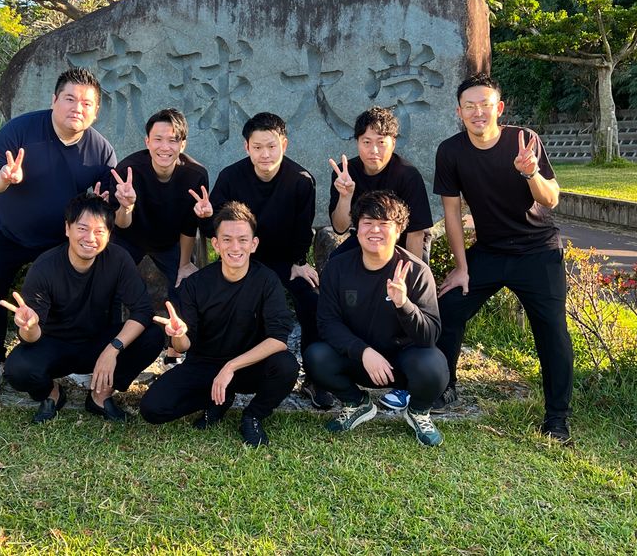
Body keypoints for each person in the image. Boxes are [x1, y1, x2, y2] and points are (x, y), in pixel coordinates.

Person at [433, 72, 574, 444]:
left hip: (537, 250)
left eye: (485, 105)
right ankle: (444, 386)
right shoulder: (450, 151)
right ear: (459, 112)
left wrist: (530, 172)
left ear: (499, 108)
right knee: (448, 306)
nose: (477, 112)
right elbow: (451, 213)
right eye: (469, 106)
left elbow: (550, 199)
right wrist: (461, 267)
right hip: (490, 251)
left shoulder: (523, 140)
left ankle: (556, 417)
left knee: (552, 331)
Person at [0, 68, 117, 397]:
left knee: (72, 297)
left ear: (96, 111)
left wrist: (108, 203)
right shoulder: (21, 130)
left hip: (57, 241)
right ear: (54, 100)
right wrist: (5, 178)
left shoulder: (101, 152)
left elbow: (103, 208)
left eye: (86, 103)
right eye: (69, 99)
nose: (77, 108)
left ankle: (70, 360)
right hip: (4, 230)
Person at [190, 113, 327, 408]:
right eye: (257, 147)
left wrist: (299, 261)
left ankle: (315, 380)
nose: (265, 154)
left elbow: (304, 227)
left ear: (284, 145)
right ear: (246, 147)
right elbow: (215, 228)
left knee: (311, 299)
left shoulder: (301, 180)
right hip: (239, 259)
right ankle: (205, 369)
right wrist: (205, 216)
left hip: (283, 261)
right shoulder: (231, 177)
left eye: (271, 146)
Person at [139, 202, 299, 447]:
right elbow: (182, 347)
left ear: (254, 244)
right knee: (153, 408)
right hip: (205, 365)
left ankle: (253, 415)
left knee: (286, 365)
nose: (235, 247)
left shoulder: (267, 281)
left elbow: (278, 340)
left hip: (249, 366)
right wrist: (178, 334)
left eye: (243, 240)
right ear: (215, 244)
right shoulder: (196, 284)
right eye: (227, 239)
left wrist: (231, 367)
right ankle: (217, 400)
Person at [1, 194, 164, 424]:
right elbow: (31, 337)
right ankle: (52, 394)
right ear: (67, 229)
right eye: (82, 229)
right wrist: (29, 326)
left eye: (99, 231)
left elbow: (142, 310)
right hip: (55, 344)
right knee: (17, 369)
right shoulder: (45, 267)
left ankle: (100, 396)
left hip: (99, 342)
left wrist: (113, 349)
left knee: (153, 335)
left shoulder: (118, 259)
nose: (90, 238)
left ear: (109, 234)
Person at [304, 190, 448, 447]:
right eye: (367, 222)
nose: (374, 230)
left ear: (399, 230)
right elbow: (327, 323)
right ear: (357, 228)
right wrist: (363, 351)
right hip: (358, 358)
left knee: (434, 366)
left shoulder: (416, 271)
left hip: (402, 361)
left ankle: (418, 411)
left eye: (384, 224)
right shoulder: (338, 267)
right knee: (316, 356)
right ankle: (356, 403)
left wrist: (404, 304)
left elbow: (429, 336)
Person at [109, 108, 208, 367]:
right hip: (129, 237)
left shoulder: (195, 174)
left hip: (168, 241)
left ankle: (176, 351)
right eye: (158, 139)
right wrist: (127, 206)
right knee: (109, 281)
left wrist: (184, 264)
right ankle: (109, 346)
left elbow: (189, 226)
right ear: (147, 141)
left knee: (185, 282)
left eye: (173, 140)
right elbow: (120, 223)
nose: (165, 147)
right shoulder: (127, 170)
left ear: (182, 144)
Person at [328, 106, 432, 260]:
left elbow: (415, 233)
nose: (374, 150)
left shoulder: (408, 175)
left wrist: (410, 271)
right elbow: (340, 228)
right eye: (367, 142)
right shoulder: (346, 174)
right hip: (367, 239)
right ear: (357, 142)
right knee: (336, 263)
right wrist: (345, 197)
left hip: (404, 242)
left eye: (381, 142)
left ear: (393, 143)